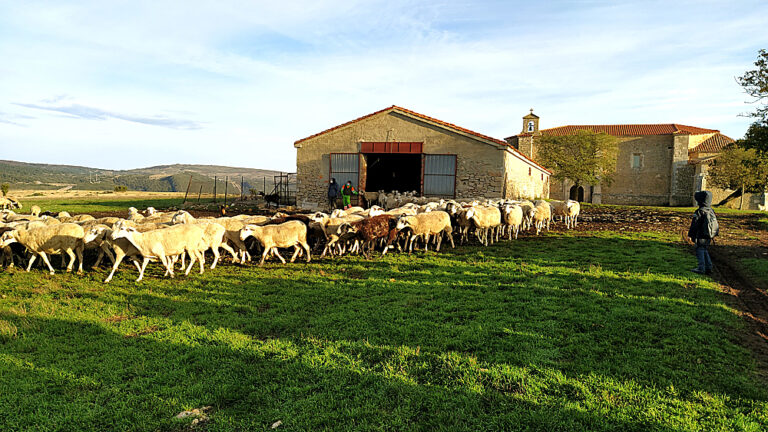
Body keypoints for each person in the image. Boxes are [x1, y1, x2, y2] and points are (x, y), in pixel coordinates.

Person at [688, 190, 719, 275]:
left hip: (701, 234)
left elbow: (694, 225)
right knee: (704, 249)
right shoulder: (710, 210)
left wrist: (691, 235)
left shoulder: (699, 211)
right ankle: (708, 267)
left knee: (699, 250)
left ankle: (701, 268)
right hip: (709, 234)